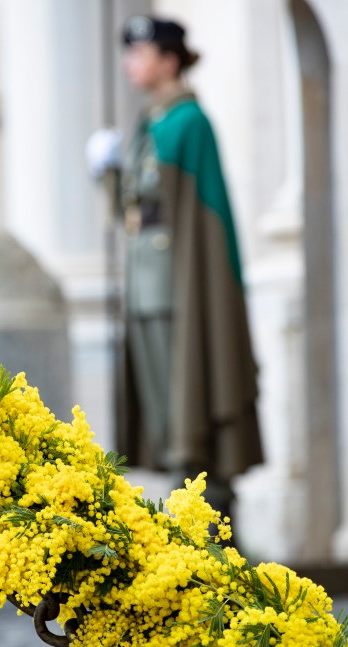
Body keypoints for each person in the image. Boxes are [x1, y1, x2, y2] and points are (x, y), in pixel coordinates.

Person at [113, 15, 263, 521]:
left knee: (192, 402)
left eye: (141, 52)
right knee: (164, 410)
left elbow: (204, 220)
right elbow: (136, 206)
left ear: (169, 59)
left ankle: (211, 520)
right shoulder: (150, 120)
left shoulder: (187, 122)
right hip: (146, 288)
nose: (131, 62)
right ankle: (186, 514)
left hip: (181, 288)